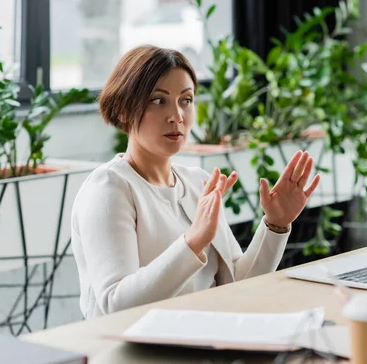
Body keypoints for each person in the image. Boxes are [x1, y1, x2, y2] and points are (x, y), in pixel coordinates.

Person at [71, 45, 321, 318]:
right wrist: (192, 241)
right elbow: (115, 305)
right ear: (122, 110)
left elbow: (236, 282)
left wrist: (276, 224)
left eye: (186, 100)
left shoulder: (196, 182)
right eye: (158, 100)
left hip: (207, 337)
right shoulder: (109, 187)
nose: (176, 115)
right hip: (141, 352)